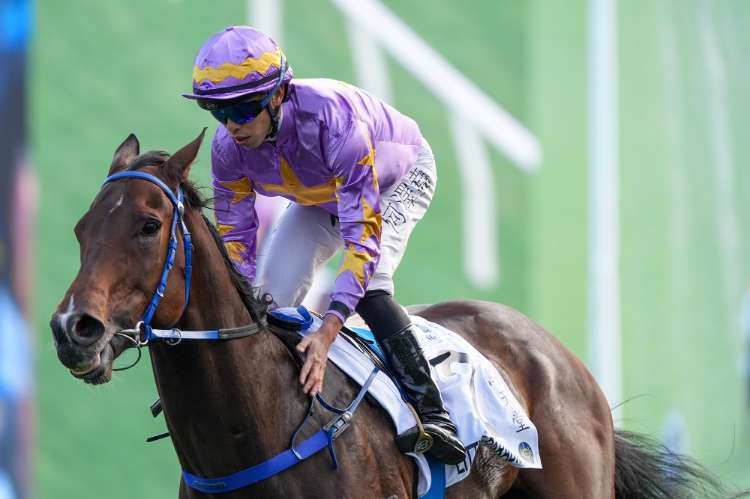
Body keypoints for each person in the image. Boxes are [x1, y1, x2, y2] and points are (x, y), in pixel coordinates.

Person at [183, 26, 466, 465]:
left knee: (371, 284)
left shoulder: (334, 123)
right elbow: (237, 246)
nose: (233, 125)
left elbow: (362, 242)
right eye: (219, 111)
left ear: (278, 94)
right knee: (266, 301)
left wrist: (327, 332)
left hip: (394, 180)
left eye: (243, 108)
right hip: (319, 194)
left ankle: (434, 413)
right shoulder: (227, 151)